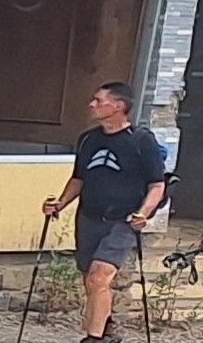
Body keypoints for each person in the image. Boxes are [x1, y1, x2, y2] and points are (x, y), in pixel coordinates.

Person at [42, 81, 167, 343]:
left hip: (123, 221)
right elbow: (79, 179)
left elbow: (157, 184)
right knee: (91, 279)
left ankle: (94, 339)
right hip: (89, 217)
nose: (92, 104)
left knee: (99, 277)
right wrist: (60, 204)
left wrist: (143, 213)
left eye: (99, 101)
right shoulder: (87, 139)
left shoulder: (142, 141)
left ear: (119, 106)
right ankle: (106, 327)